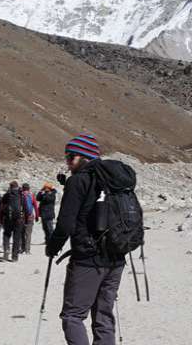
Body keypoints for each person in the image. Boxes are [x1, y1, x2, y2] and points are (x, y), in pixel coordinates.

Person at [46, 133, 130, 345]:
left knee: (73, 316)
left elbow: (65, 224)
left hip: (88, 259)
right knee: (103, 316)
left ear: (82, 157)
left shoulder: (79, 181)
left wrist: (52, 247)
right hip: (117, 257)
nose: (67, 162)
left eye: (70, 157)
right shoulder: (115, 181)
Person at [0, 181, 24, 262]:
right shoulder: (21, 195)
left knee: (6, 235)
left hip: (8, 219)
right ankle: (15, 257)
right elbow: (25, 208)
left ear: (10, 187)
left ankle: (6, 251)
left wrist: (1, 218)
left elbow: (2, 208)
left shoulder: (6, 195)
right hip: (19, 219)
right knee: (16, 238)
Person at [21, 183, 37, 254]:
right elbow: (36, 207)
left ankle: (22, 248)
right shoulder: (31, 195)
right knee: (28, 234)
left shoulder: (20, 195)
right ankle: (27, 250)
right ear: (29, 188)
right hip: (30, 217)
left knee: (22, 233)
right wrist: (37, 216)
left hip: (22, 217)